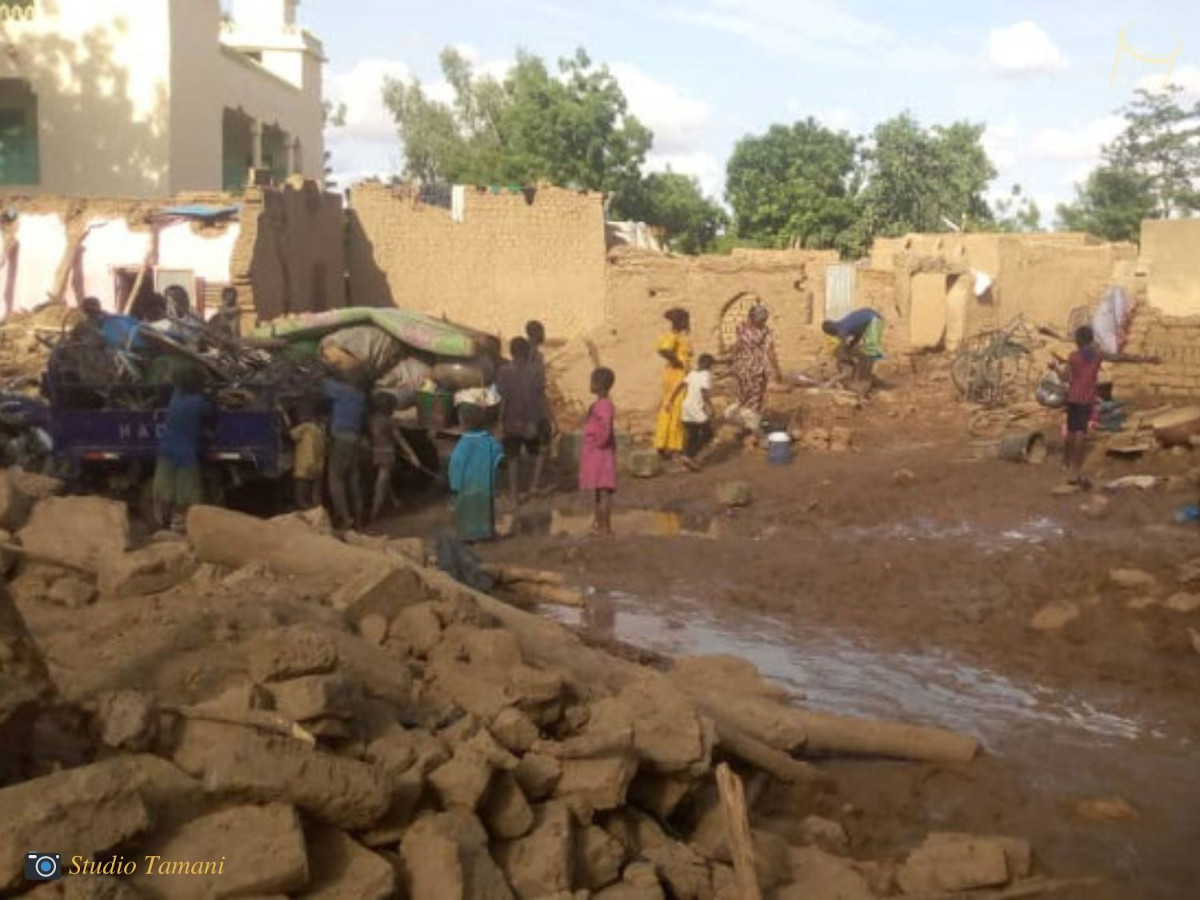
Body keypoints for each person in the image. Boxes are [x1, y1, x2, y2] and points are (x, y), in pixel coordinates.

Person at [153, 365, 212, 530]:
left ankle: (163, 522)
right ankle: (181, 524)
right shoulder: (199, 402)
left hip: (166, 450)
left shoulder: (176, 397)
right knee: (187, 492)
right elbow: (210, 413)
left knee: (165, 489)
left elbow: (168, 385)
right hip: (186, 454)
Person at [495, 336, 546, 507]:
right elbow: (540, 399)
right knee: (539, 452)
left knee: (513, 459)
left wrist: (499, 422)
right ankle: (533, 486)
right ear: (527, 351)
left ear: (511, 352)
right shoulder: (535, 372)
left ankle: (514, 496)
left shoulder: (503, 371)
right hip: (530, 421)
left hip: (511, 421)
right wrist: (544, 419)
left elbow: (502, 399)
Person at [448, 403, 505, 542]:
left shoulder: (463, 444)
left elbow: (456, 465)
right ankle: (487, 533)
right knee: (485, 510)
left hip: (466, 487)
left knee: (465, 510)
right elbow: (499, 458)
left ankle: (467, 536)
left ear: (463, 422)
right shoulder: (491, 442)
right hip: (485, 485)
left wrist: (454, 486)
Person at [1053, 326, 1102, 488]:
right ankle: (1076, 465)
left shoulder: (1073, 356)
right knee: (1081, 432)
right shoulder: (1097, 356)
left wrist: (1055, 369)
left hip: (1073, 397)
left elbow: (1066, 377)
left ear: (1079, 340)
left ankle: (1066, 462)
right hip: (1086, 398)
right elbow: (1116, 357)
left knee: (1071, 431)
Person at [729, 304, 781, 442]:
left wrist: (775, 369)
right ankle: (756, 432)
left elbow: (770, 350)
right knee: (748, 398)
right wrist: (731, 362)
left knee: (754, 399)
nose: (764, 322)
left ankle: (747, 428)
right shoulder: (743, 328)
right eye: (762, 319)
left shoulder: (763, 331)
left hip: (756, 369)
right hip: (745, 368)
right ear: (752, 318)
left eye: (765, 319)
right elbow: (737, 346)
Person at [323, 374, 366, 530]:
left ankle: (345, 518)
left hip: (341, 439)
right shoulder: (361, 396)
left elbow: (321, 383)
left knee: (336, 478)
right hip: (355, 439)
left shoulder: (342, 391)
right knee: (353, 481)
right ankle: (359, 519)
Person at [580, 367, 617, 536]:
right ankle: (598, 523)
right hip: (595, 453)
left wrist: (598, 442)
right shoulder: (599, 404)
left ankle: (605, 526)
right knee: (597, 490)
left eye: (592, 381)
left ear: (599, 385)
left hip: (600, 453)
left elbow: (606, 428)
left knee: (604, 491)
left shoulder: (603, 405)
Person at [654, 308, 692, 458]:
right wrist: (678, 362)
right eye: (685, 320)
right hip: (676, 375)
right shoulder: (673, 336)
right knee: (675, 408)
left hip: (675, 374)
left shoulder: (679, 337)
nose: (687, 323)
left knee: (669, 407)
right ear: (680, 321)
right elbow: (663, 350)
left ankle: (663, 443)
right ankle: (672, 445)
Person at [822, 308, 885, 393]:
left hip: (874, 320)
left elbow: (842, 346)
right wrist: (851, 347)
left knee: (867, 352)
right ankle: (865, 378)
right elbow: (857, 337)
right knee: (863, 352)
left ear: (831, 331)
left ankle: (863, 382)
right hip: (872, 318)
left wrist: (843, 359)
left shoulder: (841, 328)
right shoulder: (846, 324)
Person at [671, 353, 715, 471]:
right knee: (708, 434)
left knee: (692, 435)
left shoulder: (692, 373)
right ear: (709, 365)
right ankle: (688, 456)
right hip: (696, 409)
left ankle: (687, 458)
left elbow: (680, 385)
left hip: (686, 407)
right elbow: (704, 392)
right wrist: (711, 407)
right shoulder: (706, 375)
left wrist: (671, 399)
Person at [368, 392, 400, 526]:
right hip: (387, 454)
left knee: (381, 481)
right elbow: (399, 439)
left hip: (375, 453)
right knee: (381, 485)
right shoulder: (389, 421)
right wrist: (412, 455)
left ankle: (393, 501)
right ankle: (374, 516)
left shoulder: (371, 419)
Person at [290, 401, 326, 510]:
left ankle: (305, 521)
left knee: (301, 499)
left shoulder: (304, 428)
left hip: (304, 468)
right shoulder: (320, 430)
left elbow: (290, 435)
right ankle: (318, 518)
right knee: (315, 498)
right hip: (317, 467)